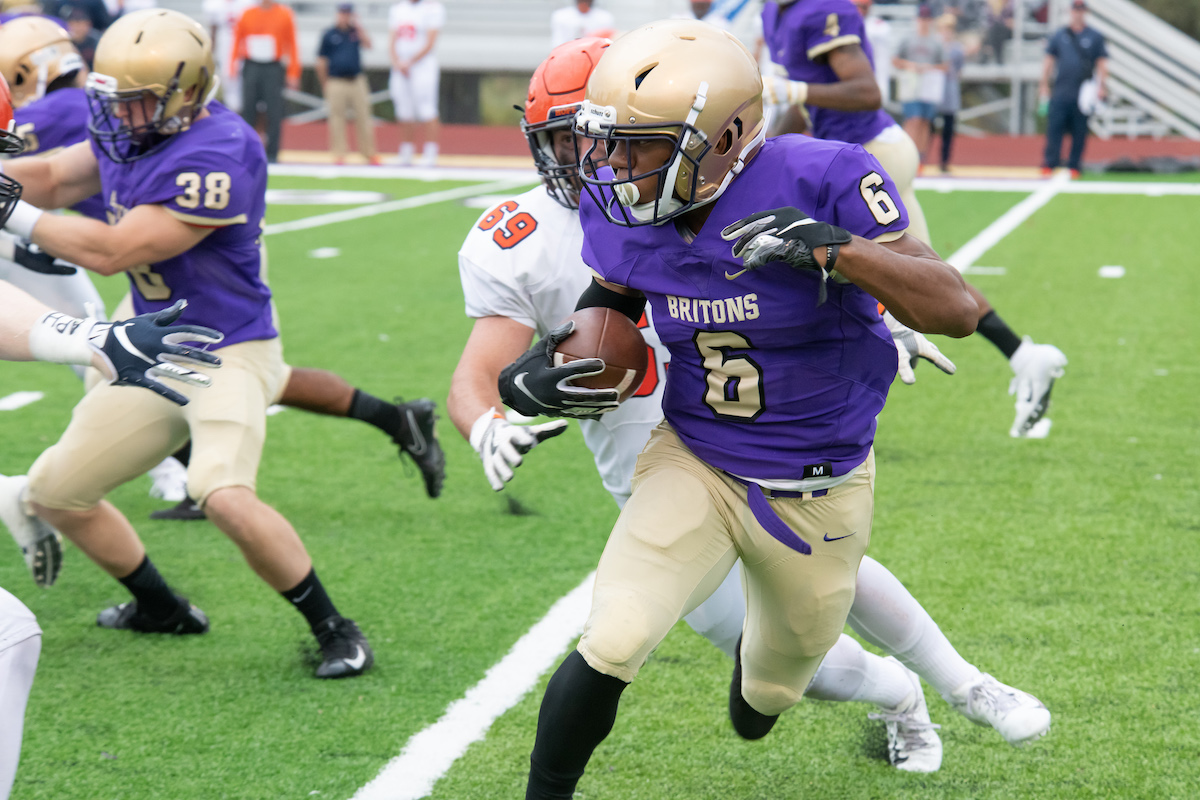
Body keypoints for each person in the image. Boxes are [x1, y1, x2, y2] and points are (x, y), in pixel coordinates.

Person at [453, 37, 1050, 777]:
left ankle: (897, 689)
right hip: (695, 458)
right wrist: (543, 375)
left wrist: (840, 254)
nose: (611, 170)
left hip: (816, 485)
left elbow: (954, 307)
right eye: (609, 146)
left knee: (767, 691)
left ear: (728, 136)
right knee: (611, 639)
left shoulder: (821, 176)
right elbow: (604, 313)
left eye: (638, 148)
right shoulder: (622, 216)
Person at [0, 9, 374, 679]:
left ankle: (334, 627)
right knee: (56, 493)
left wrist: (12, 211)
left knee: (219, 490)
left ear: (189, 91)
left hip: (229, 346)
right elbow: (56, 177)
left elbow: (116, 250)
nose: (123, 113)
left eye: (139, 100)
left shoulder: (219, 150)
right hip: (153, 347)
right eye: (116, 98)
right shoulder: (130, 128)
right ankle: (163, 608)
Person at [0, 13, 446, 524]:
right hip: (148, 262)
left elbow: (106, 244)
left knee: (179, 367)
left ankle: (194, 474)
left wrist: (12, 206)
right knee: (240, 376)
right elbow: (54, 177)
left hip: (176, 250)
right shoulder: (115, 105)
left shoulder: (75, 108)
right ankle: (393, 418)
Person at [763, 0, 1068, 438]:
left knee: (821, 263)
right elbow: (804, 106)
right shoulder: (775, 11)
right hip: (865, 154)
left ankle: (824, 405)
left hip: (866, 157)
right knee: (927, 276)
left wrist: (793, 92)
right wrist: (768, 146)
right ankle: (1025, 357)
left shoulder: (823, 10)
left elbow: (866, 92)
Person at [1038, 0, 1107, 177]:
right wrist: (1044, 84)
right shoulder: (1060, 34)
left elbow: (1101, 63)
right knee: (1055, 128)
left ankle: (1074, 165)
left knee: (1079, 130)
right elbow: (1048, 61)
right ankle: (1050, 163)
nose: (1078, 12)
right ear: (1070, 11)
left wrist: (1102, 87)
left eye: (1081, 9)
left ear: (1085, 11)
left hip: (1083, 93)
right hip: (1062, 90)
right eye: (1075, 9)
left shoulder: (1094, 36)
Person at [231, 0, 300, 163]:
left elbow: (292, 44)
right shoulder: (247, 13)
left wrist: (293, 72)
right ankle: (247, 150)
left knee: (274, 111)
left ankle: (272, 154)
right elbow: (237, 40)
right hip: (251, 64)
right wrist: (233, 64)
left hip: (273, 67)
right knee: (248, 109)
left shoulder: (284, 14)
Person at [317, 2, 378, 166]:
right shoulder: (329, 34)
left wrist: (359, 26)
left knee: (364, 117)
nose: (345, 16)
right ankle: (339, 154)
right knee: (337, 118)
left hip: (356, 80)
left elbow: (369, 45)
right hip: (336, 80)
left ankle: (368, 153)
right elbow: (321, 61)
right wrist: (325, 83)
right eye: (343, 13)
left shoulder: (355, 32)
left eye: (348, 13)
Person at [387, 0, 444, 166]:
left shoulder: (432, 8)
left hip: (423, 66)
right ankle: (406, 152)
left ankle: (430, 152)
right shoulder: (398, 9)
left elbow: (430, 42)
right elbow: (392, 39)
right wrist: (397, 61)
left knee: (427, 109)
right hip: (401, 67)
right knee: (404, 110)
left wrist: (410, 61)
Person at [893, 4, 946, 162]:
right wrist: (910, 65)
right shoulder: (908, 39)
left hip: (929, 86)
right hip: (912, 85)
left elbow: (945, 65)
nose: (924, 21)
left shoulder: (936, 42)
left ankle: (920, 156)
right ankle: (906, 153)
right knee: (913, 119)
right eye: (922, 18)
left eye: (927, 18)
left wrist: (929, 68)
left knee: (925, 121)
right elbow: (895, 60)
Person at [935, 12, 972, 172]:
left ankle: (944, 161)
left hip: (949, 90)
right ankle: (921, 159)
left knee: (948, 129)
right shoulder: (935, 45)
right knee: (928, 126)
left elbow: (959, 70)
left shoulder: (957, 49)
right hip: (934, 91)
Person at [203, 0, 253, 112]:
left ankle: (248, 111)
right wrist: (212, 51)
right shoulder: (214, 4)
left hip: (245, 41)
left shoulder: (248, 3)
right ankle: (232, 108)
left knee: (246, 77)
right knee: (228, 76)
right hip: (225, 41)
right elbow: (214, 29)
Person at [854, 0, 893, 103]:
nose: (860, 10)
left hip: (872, 77)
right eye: (857, 6)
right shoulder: (845, 23)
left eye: (864, 7)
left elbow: (882, 61)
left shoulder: (877, 26)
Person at [549, 0, 615, 47]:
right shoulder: (561, 16)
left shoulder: (604, 17)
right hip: (568, 54)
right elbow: (558, 41)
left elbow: (606, 42)